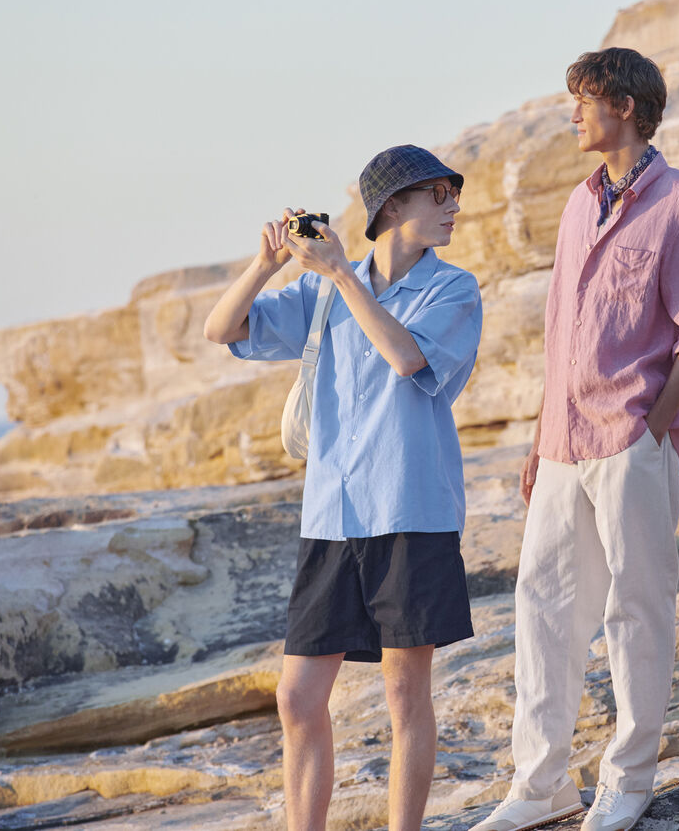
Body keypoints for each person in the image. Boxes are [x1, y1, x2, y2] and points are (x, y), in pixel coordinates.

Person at [470, 47, 679, 831]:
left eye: (581, 100)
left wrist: (653, 430)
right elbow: (562, 335)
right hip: (561, 444)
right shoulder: (580, 205)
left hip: (630, 440)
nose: (571, 114)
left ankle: (629, 776)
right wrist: (541, 437)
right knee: (542, 605)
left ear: (622, 104)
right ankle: (540, 784)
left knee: (636, 610)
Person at [203, 144, 484, 831]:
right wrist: (265, 265)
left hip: (410, 512)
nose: (453, 206)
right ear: (392, 206)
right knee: (297, 699)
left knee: (402, 694)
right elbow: (223, 329)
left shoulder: (453, 290)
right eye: (438, 194)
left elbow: (405, 357)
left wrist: (343, 278)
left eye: (454, 194)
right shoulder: (323, 289)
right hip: (331, 517)